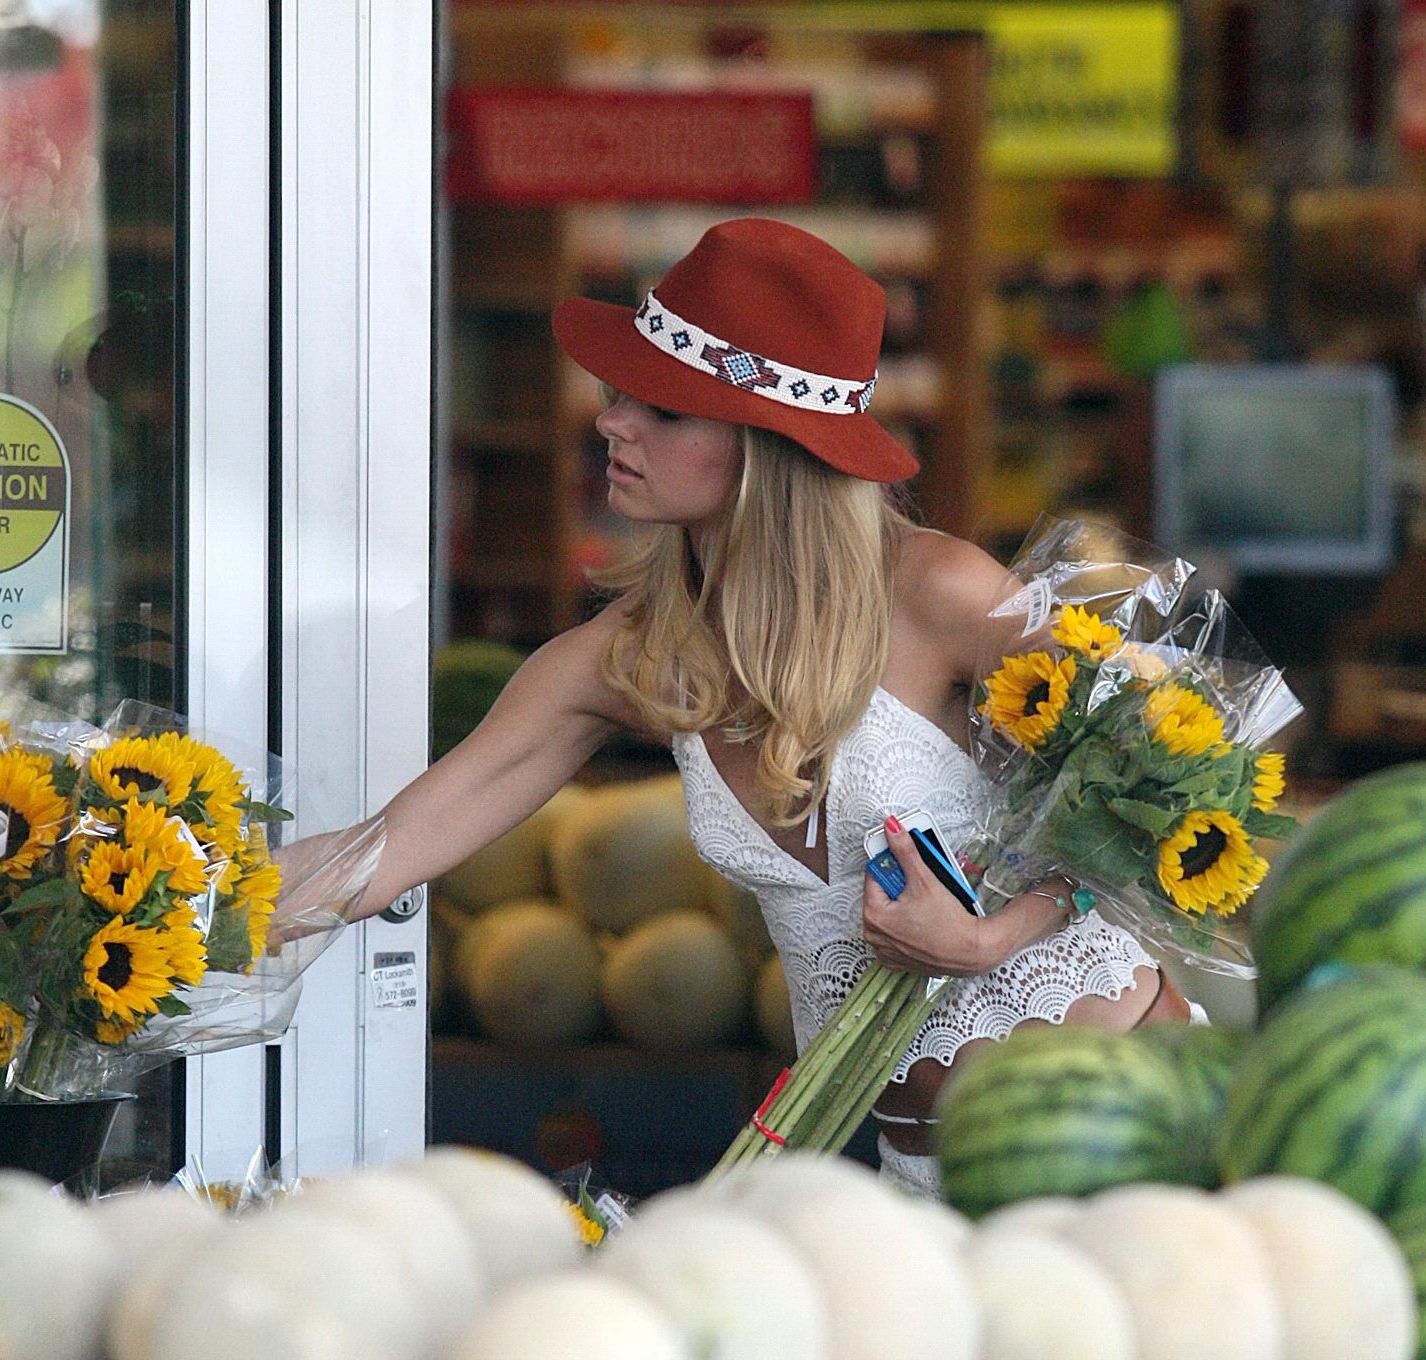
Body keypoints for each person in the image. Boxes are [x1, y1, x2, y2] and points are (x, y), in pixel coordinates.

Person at [346, 218, 1188, 1195]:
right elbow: (376, 857)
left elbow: (1165, 782)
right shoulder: (627, 660)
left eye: (661, 408)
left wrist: (991, 936)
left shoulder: (934, 591)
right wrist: (180, 902)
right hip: (920, 1174)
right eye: (623, 394)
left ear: (767, 448)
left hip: (1125, 1115)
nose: (612, 420)